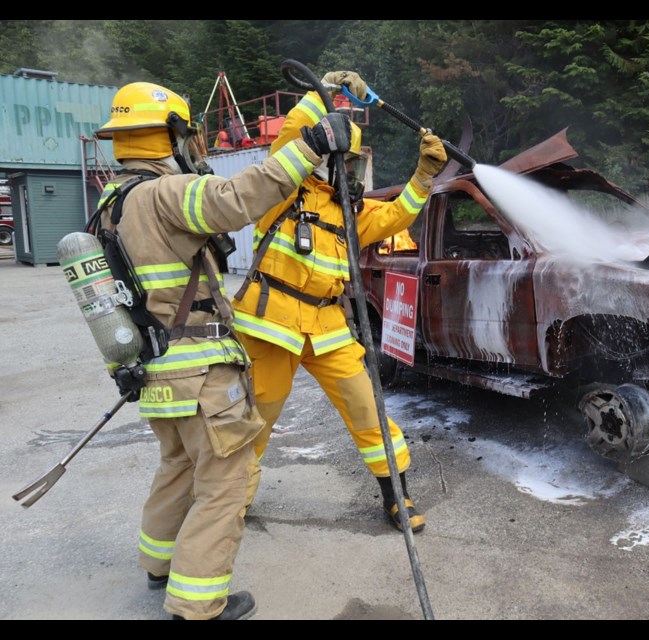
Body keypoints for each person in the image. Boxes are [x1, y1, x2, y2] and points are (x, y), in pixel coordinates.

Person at [91, 79, 356, 620]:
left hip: (156, 374)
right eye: (189, 133)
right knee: (224, 486)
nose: (196, 143)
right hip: (202, 374)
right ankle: (198, 604)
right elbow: (236, 201)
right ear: (170, 134)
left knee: (177, 467)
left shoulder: (111, 203)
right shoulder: (167, 193)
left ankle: (157, 565)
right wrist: (311, 146)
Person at [231, 71, 447, 533]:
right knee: (256, 422)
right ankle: (231, 502)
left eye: (353, 164)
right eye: (344, 160)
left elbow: (395, 215)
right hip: (271, 324)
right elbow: (293, 134)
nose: (351, 171)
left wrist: (424, 176)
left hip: (329, 327)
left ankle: (397, 498)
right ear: (323, 156)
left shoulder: (349, 211)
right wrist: (323, 90)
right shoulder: (281, 189)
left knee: (369, 411)